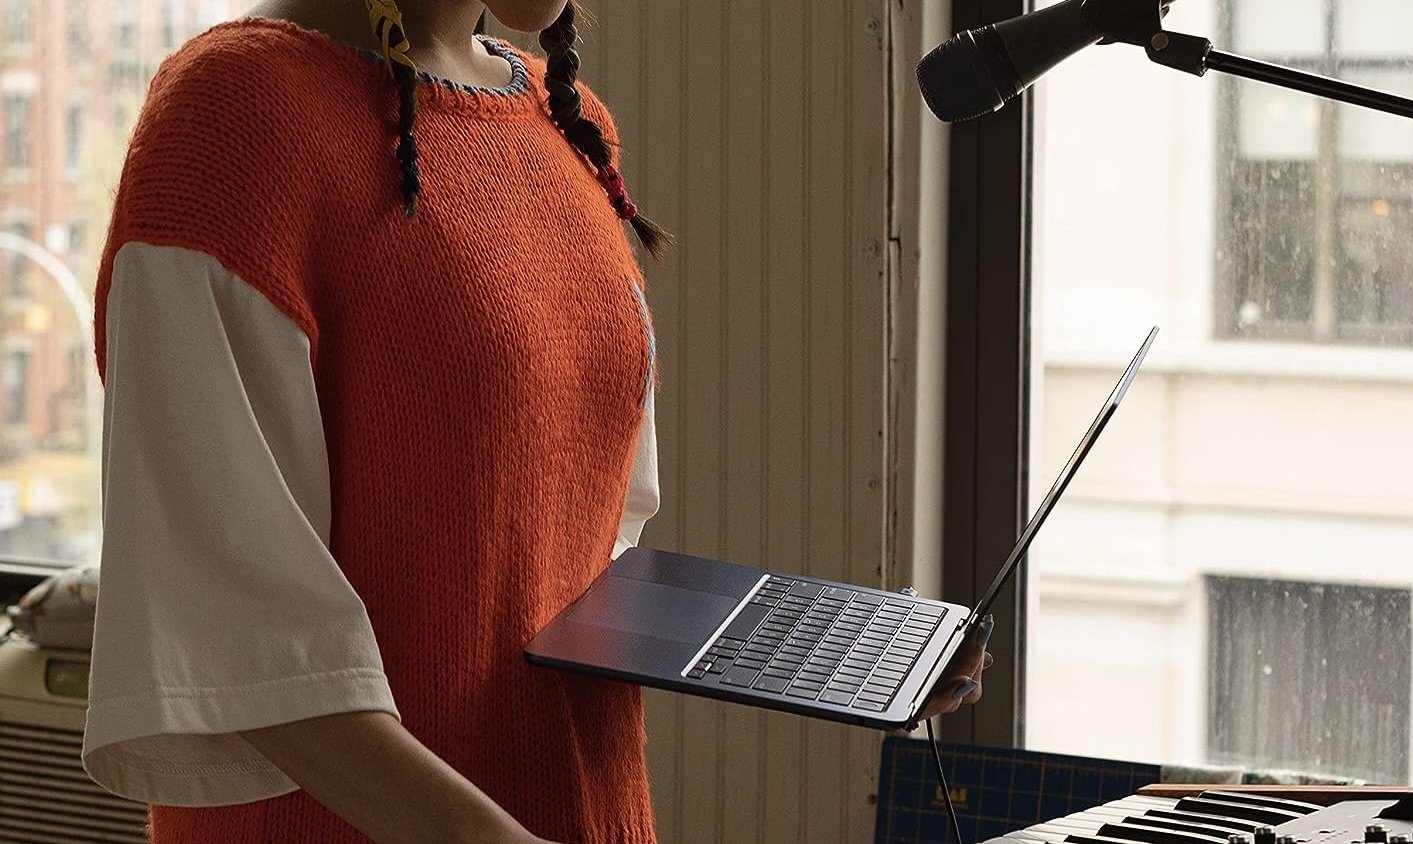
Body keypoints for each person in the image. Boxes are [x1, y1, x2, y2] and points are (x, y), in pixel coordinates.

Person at [79, 1, 991, 842]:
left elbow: (578, 547)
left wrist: (837, 651)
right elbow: (233, 641)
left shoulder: (561, 119)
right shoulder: (234, 119)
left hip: (584, 806)